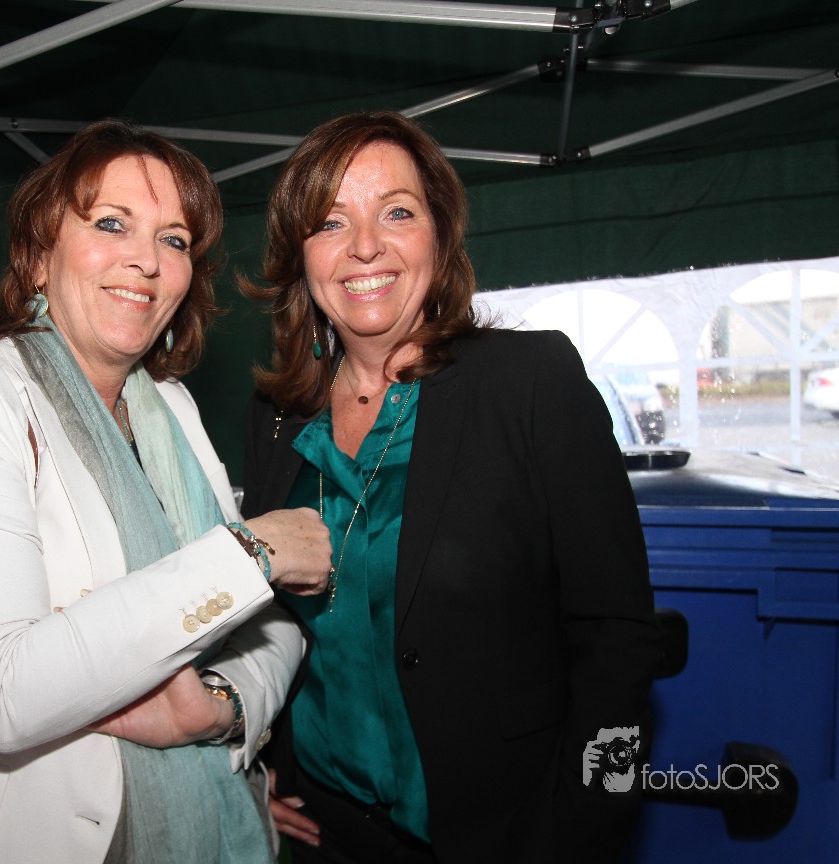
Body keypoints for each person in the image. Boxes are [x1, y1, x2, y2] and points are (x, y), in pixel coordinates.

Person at [0, 119, 333, 864]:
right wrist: (251, 551)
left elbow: (272, 625)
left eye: (173, 239)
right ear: (38, 255)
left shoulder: (171, 411)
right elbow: (0, 691)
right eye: (111, 224)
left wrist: (218, 711)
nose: (146, 260)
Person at [239, 110, 662, 864]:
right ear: (299, 255)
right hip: (324, 834)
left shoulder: (531, 384)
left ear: (439, 235)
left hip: (505, 837)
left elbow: (618, 636)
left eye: (396, 212)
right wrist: (258, 769)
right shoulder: (276, 418)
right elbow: (263, 622)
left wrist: (590, 823)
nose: (365, 245)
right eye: (330, 222)